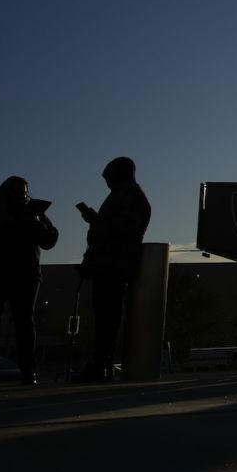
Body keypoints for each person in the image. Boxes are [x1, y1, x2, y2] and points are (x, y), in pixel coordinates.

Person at [0, 176, 58, 387]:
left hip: (8, 275)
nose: (24, 196)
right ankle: (23, 372)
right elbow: (49, 240)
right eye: (21, 192)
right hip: (17, 274)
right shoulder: (11, 217)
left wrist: (41, 218)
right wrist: (41, 218)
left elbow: (48, 241)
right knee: (17, 323)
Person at [74, 156, 152, 382]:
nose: (105, 178)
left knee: (108, 317)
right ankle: (100, 363)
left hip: (115, 265)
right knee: (104, 317)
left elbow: (124, 230)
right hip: (108, 264)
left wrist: (97, 222)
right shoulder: (122, 196)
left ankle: (100, 364)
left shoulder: (131, 197)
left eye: (108, 174)